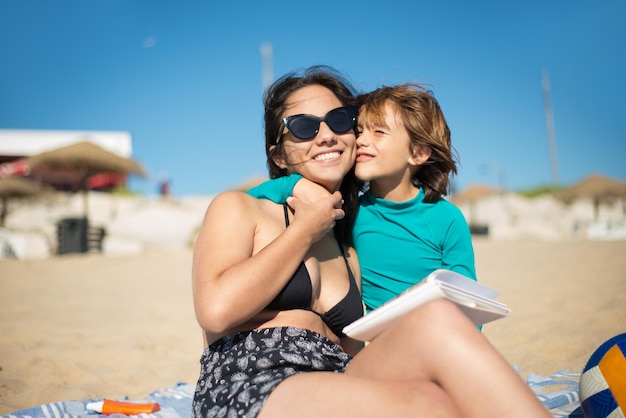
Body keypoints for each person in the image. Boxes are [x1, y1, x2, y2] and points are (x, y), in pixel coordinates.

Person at [191, 66, 550, 417]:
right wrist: (303, 230)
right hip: (254, 377)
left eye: (340, 120)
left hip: (338, 374)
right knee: (428, 407)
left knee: (437, 322)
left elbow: (354, 348)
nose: (327, 135)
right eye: (303, 127)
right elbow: (216, 311)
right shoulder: (239, 208)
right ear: (279, 156)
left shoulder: (348, 244)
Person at [249, 83, 476, 312]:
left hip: (439, 331)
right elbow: (253, 195)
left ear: (418, 153)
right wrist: (294, 184)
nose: (361, 141)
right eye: (360, 131)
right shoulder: (349, 211)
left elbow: (466, 298)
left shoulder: (446, 218)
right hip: (378, 340)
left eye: (378, 132)